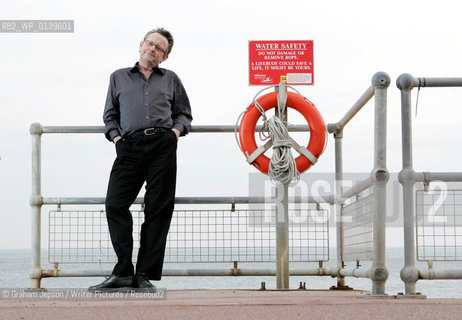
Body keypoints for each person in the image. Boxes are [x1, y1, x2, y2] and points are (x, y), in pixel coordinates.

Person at [89, 27, 192, 291]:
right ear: (140, 44)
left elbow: (184, 114)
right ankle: (123, 271)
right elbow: (109, 115)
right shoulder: (118, 77)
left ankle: (144, 274)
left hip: (163, 146)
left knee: (158, 209)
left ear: (164, 57)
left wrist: (174, 133)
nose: (153, 49)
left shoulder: (171, 79)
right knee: (115, 204)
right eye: (150, 43)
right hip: (129, 146)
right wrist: (117, 140)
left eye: (159, 48)